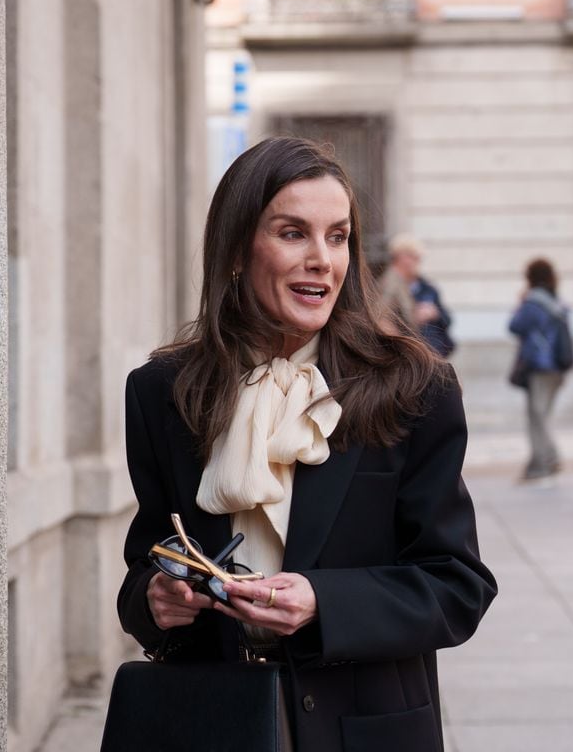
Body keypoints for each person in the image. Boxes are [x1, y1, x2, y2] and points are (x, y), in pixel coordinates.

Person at [116, 137, 497, 752]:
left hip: (365, 730)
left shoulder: (414, 387)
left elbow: (457, 586)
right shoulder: (161, 392)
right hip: (213, 724)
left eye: (338, 236)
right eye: (293, 233)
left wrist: (324, 600)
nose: (323, 259)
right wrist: (156, 600)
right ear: (239, 250)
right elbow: (147, 564)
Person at [508, 258, 570, 481]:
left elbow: (515, 326)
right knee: (543, 415)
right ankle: (539, 462)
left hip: (539, 367)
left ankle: (545, 462)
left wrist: (520, 303)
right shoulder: (557, 301)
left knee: (537, 417)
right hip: (558, 367)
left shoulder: (533, 302)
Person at [380, 233, 456, 356]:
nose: (417, 261)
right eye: (413, 256)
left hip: (434, 352)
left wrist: (435, 312)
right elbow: (381, 319)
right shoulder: (391, 283)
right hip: (414, 354)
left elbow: (447, 319)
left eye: (417, 257)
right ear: (400, 257)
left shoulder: (427, 287)